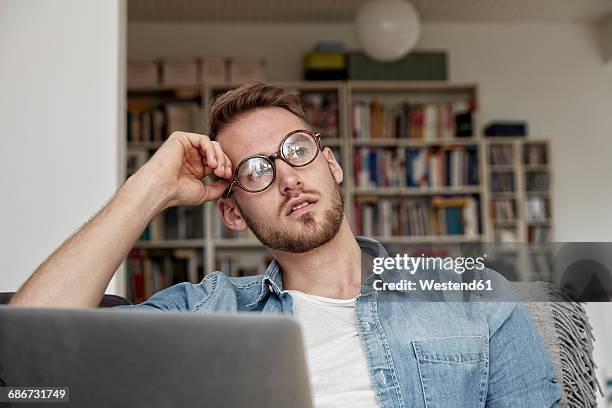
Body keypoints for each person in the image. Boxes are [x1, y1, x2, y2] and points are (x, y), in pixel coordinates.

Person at [10, 83, 561, 407]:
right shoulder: (204, 310)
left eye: (296, 149)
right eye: (256, 170)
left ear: (333, 163)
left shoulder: (474, 298)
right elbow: (25, 353)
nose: (288, 178)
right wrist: (149, 187)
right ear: (230, 211)